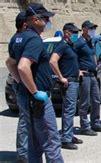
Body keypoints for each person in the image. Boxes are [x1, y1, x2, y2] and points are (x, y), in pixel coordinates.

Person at [15, 3, 63, 162]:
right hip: (37, 100)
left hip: (25, 96)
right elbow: (22, 66)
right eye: (46, 18)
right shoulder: (34, 39)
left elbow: (10, 63)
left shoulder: (18, 38)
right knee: (51, 141)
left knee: (34, 144)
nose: (48, 21)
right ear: (35, 19)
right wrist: (35, 92)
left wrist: (22, 83)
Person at [49, 23, 84, 150]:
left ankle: (68, 134)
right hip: (68, 82)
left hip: (74, 80)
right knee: (69, 110)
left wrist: (77, 71)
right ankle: (66, 139)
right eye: (74, 32)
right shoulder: (62, 45)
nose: (76, 34)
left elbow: (70, 62)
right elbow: (53, 61)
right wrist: (60, 77)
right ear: (66, 32)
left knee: (70, 109)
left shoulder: (70, 45)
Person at [74, 20, 101, 135]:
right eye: (91, 28)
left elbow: (94, 54)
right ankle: (84, 126)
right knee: (84, 102)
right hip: (85, 76)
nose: (93, 30)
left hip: (93, 74)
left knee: (96, 99)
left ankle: (95, 123)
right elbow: (72, 57)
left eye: (93, 28)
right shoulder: (79, 43)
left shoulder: (91, 42)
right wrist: (77, 70)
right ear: (84, 29)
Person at [5, 11, 28, 162]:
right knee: (25, 120)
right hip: (24, 86)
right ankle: (23, 154)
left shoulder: (17, 39)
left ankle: (26, 152)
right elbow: (12, 63)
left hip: (23, 84)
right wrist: (21, 81)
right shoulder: (18, 40)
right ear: (25, 25)